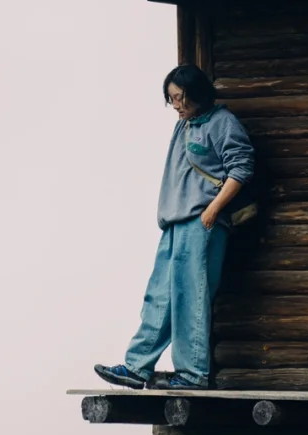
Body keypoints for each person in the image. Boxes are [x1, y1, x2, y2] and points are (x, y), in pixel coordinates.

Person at [95, 65, 255, 391]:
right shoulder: (184, 125)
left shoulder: (222, 123)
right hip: (174, 223)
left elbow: (242, 167)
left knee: (190, 298)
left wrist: (212, 209)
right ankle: (137, 367)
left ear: (196, 92)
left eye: (180, 97)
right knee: (160, 297)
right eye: (171, 100)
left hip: (202, 222)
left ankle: (192, 374)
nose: (177, 105)